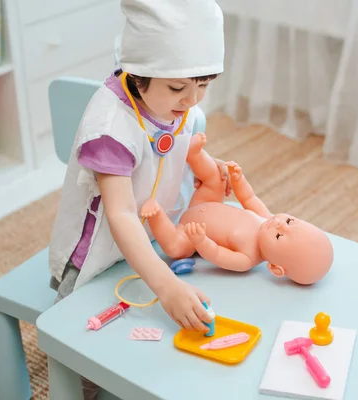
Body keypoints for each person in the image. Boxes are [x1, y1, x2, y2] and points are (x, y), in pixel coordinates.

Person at [47, 0, 228, 398]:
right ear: (139, 74)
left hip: (147, 237)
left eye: (204, 85)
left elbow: (175, 147)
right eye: (179, 88)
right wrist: (165, 288)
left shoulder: (173, 101)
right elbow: (122, 214)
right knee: (85, 351)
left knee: (150, 353)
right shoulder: (112, 126)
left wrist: (209, 164)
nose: (192, 100)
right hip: (96, 255)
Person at [141, 133, 334, 285]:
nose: (278, 223)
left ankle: (156, 214)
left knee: (175, 248)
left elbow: (216, 254)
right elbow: (248, 197)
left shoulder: (246, 259)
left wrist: (200, 240)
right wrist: (238, 179)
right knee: (216, 178)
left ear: (275, 268)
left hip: (190, 233)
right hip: (207, 202)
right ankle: (194, 154)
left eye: (278, 236)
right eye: (289, 221)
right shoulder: (264, 218)